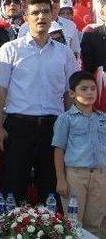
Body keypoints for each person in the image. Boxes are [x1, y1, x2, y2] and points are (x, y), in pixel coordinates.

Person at [0, 0, 78, 203]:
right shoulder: (10, 49)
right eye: (35, 13)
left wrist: (70, 128)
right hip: (18, 126)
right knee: (13, 186)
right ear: (26, 17)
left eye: (46, 12)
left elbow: (69, 94)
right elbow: (0, 91)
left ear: (53, 15)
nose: (41, 17)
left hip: (53, 128)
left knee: (50, 189)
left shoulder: (65, 54)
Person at [52, 71, 106, 236]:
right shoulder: (65, 119)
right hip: (75, 176)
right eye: (84, 89)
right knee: (73, 224)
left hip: (100, 175)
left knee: (97, 224)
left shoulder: (102, 118)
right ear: (72, 93)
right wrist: (61, 180)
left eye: (93, 89)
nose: (90, 93)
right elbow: (59, 150)